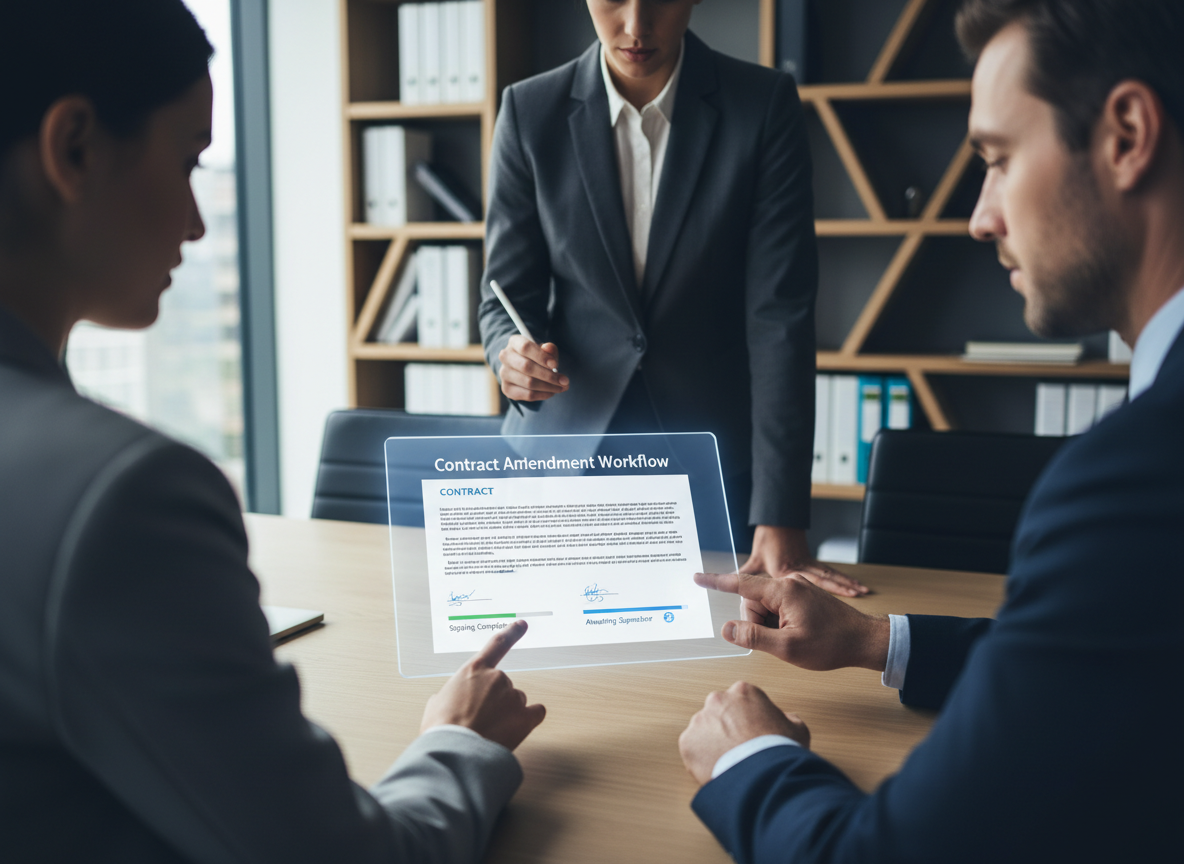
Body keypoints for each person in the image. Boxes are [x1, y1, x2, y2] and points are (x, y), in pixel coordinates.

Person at [0, 2, 544, 862]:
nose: (196, 221)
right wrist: (458, 741)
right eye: (186, 163)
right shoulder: (120, 499)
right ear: (73, 149)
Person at [676, 0, 1184, 861]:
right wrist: (876, 641)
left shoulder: (1133, 479)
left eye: (998, 159)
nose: (979, 216)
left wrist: (747, 759)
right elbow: (1102, 654)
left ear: (1128, 134)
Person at [477, 0, 867, 597]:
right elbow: (504, 296)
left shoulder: (761, 105)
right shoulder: (528, 110)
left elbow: (780, 318)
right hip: (561, 465)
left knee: (721, 661)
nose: (636, 26)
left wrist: (781, 513)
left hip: (716, 467)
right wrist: (511, 356)